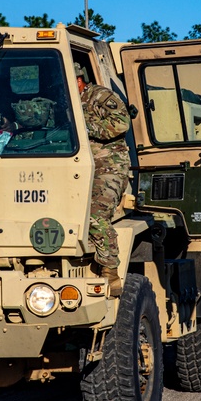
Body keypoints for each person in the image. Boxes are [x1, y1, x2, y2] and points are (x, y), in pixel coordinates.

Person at [78, 62, 129, 297]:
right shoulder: (64, 100)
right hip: (78, 166)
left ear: (78, 79)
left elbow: (120, 123)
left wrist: (81, 126)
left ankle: (110, 269)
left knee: (96, 214)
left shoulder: (100, 96)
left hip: (108, 166)